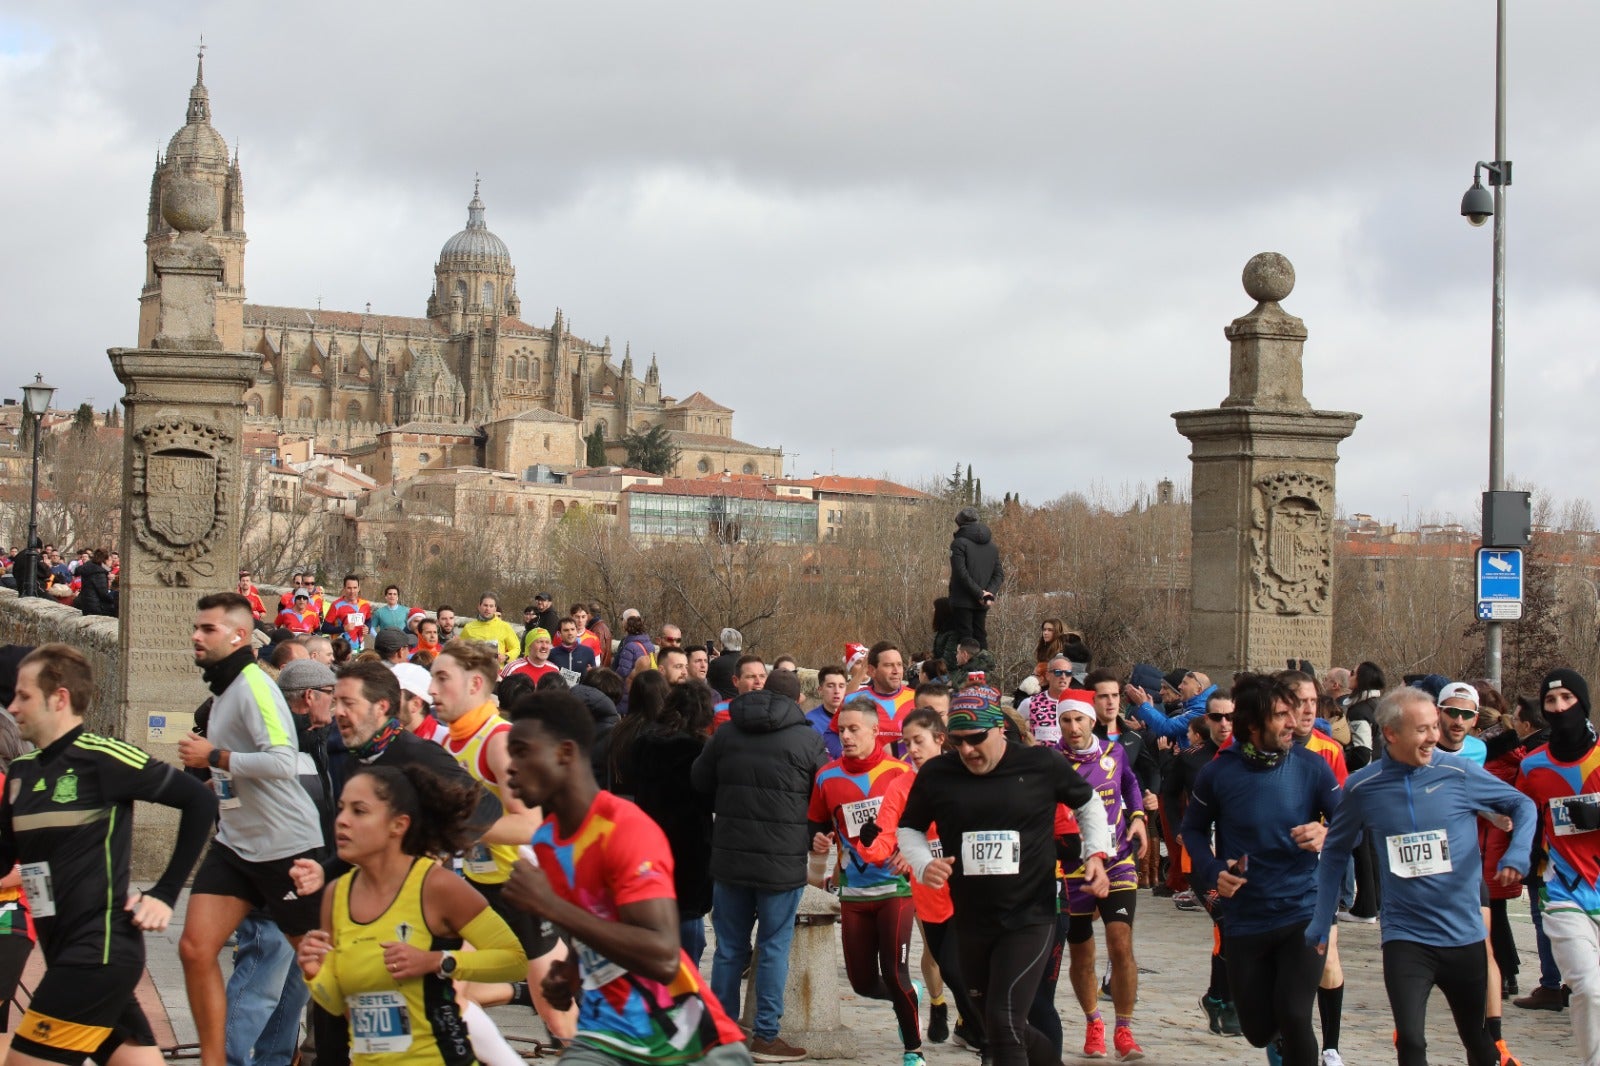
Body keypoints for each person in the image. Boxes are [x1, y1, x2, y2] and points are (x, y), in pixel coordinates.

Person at [499, 689, 753, 1066]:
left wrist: (549, 905)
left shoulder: (624, 829)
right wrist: (569, 971)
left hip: (687, 1045)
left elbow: (664, 956)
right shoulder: (547, 841)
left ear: (565, 753)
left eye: (522, 751)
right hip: (605, 1036)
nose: (510, 767)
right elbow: (594, 927)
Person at [2, 643, 217, 1066]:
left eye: (23, 695)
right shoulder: (22, 775)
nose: (12, 706)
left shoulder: (103, 757)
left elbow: (199, 801)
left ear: (59, 698)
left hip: (97, 954)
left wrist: (165, 892)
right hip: (64, 951)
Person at [1310, 685, 1534, 1066]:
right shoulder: (1362, 787)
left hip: (1463, 935)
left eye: (1435, 726)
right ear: (1392, 734)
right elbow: (1333, 854)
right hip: (1405, 938)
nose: (1435, 736)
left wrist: (1518, 854)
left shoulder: (1458, 772)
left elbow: (1521, 804)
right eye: (1424, 729)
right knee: (1411, 1042)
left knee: (1478, 1043)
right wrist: (1320, 921)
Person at [896, 690, 1112, 1066]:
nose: (966, 751)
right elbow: (909, 828)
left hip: (1031, 914)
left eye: (976, 739)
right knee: (991, 1025)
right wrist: (921, 863)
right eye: (957, 742)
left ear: (1000, 730)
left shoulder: (1040, 763)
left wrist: (1095, 853)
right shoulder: (938, 773)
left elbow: (1088, 801)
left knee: (1004, 1021)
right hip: (971, 919)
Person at [296, 763, 530, 1066]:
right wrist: (316, 973)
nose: (341, 821)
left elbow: (515, 961)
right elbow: (343, 1006)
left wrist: (437, 962)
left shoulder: (437, 887)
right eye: (341, 809)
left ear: (398, 824)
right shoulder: (336, 895)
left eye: (359, 811)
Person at [177, 592, 326, 1066]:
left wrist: (213, 757)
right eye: (197, 628)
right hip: (235, 844)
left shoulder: (254, 687)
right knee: (195, 948)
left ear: (239, 635)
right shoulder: (223, 691)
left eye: (208, 629)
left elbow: (282, 762)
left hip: (286, 845)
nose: (196, 636)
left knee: (319, 968)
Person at [1179, 674, 1341, 1066]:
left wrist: (1326, 831)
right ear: (1252, 725)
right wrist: (1214, 869)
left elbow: (1352, 823)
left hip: (1303, 910)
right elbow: (1192, 831)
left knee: (1295, 1013)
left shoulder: (1312, 766)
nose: (1294, 722)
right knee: (1256, 1030)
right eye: (1282, 715)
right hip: (1246, 917)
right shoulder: (1219, 773)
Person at [430, 641, 575, 1042]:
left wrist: (458, 829)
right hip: (481, 885)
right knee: (451, 994)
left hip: (529, 887)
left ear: (475, 683)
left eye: (442, 679)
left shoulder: (500, 741)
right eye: (431, 678)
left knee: (559, 1017)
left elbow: (529, 825)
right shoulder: (447, 743)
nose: (432, 690)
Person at [691, 668, 825, 1062]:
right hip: (782, 863)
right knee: (773, 948)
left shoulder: (728, 732)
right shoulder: (808, 738)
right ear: (799, 699)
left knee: (729, 950)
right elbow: (823, 793)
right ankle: (766, 1036)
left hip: (730, 856)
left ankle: (722, 1033)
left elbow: (699, 782)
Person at [853, 708, 983, 1051]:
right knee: (952, 972)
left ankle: (989, 1037)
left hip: (970, 892)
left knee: (958, 971)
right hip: (929, 895)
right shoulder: (901, 786)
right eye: (907, 742)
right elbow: (884, 836)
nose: (912, 748)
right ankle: (978, 1030)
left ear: (940, 739)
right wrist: (869, 841)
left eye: (919, 740)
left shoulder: (966, 774)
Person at [806, 699, 924, 1066]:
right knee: (861, 982)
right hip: (853, 892)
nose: (846, 736)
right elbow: (816, 823)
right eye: (841, 729)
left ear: (875, 731)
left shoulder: (900, 772)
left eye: (854, 729)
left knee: (894, 970)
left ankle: (913, 1050)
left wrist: (913, 853)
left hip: (895, 888)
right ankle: (907, 997)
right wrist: (818, 841)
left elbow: (925, 823)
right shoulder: (826, 776)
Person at [1054, 690, 1148, 1060]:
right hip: (1072, 866)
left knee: (1120, 941)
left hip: (1117, 857)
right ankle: (1094, 1022)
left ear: (1093, 720)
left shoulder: (1115, 752)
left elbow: (1129, 783)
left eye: (1079, 719)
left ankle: (1124, 1029)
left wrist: (1138, 817)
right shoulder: (1052, 761)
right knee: (1081, 952)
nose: (1073, 728)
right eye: (1065, 720)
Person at [1516, 668, 1600, 1065]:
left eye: (1567, 698)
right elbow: (1520, 818)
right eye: (1551, 701)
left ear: (1582, 703)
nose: (1560, 707)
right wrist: (1515, 862)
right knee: (1588, 988)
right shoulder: (1532, 766)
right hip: (1562, 889)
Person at [627, 680, 717, 969]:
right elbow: (709, 798)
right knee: (689, 929)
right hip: (689, 845)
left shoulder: (643, 743)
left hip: (647, 841)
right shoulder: (698, 751)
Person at [1170, 693, 1242, 1036]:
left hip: (1235, 858)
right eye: (1217, 717)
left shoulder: (1247, 758)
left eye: (1230, 716)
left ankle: (1218, 996)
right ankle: (1225, 1001)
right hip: (1199, 859)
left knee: (1234, 926)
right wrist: (1179, 830)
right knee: (1226, 919)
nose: (1224, 723)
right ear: (1206, 720)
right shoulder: (1190, 759)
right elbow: (1167, 793)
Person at [947, 507, 1002, 650]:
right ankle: (983, 670)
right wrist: (987, 594)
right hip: (982, 601)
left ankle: (968, 671)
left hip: (962, 600)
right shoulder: (992, 547)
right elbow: (999, 574)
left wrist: (980, 593)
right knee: (980, 636)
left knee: (965, 640)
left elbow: (960, 573)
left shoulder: (958, 544)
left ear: (959, 524)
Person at [853, 642, 916, 751]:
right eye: (888, 665)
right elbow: (832, 733)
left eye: (899, 665)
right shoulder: (854, 700)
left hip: (906, 767)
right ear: (872, 671)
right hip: (869, 767)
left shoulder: (916, 699)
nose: (896, 671)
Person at [460, 593, 522, 665]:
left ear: (495, 609)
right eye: (485, 605)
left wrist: (506, 657)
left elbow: (516, 648)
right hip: (475, 670)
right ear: (479, 606)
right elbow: (461, 649)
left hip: (497, 671)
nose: (488, 609)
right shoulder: (468, 628)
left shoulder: (505, 626)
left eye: (491, 606)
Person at [805, 665, 849, 759]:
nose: (837, 691)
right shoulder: (810, 722)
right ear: (820, 690)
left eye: (841, 686)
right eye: (830, 686)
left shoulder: (856, 719)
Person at [324, 575, 374, 651]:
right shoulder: (336, 605)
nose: (352, 591)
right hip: (340, 650)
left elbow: (368, 620)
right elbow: (325, 628)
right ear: (344, 588)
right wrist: (343, 628)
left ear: (359, 588)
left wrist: (368, 628)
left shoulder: (365, 605)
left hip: (359, 648)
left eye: (355, 588)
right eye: (349, 588)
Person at [706, 628, 743, 699]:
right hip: (741, 703)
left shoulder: (717, 663)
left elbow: (706, 682)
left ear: (723, 644)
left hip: (721, 706)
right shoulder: (745, 662)